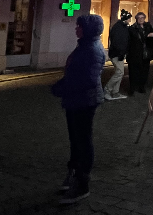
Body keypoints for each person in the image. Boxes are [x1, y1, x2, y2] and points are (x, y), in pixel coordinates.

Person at [51, 14, 105, 205]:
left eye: (79, 26)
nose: (76, 29)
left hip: (84, 101)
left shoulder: (92, 49)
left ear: (88, 29)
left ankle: (82, 183)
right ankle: (74, 173)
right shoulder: (85, 45)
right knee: (76, 139)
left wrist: (63, 88)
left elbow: (88, 79)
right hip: (76, 100)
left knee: (83, 140)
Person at [103, 10, 131, 100]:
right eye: (129, 19)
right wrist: (121, 53)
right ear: (125, 18)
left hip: (118, 53)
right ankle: (107, 90)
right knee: (119, 72)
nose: (130, 20)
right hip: (117, 54)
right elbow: (117, 42)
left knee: (119, 72)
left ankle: (115, 92)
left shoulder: (121, 27)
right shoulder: (119, 28)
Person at [126, 12, 153, 95]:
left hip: (145, 53)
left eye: (142, 17)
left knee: (144, 71)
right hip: (135, 53)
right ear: (136, 19)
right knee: (133, 71)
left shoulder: (148, 27)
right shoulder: (132, 28)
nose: (141, 19)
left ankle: (142, 87)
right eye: (139, 18)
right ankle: (132, 88)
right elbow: (129, 41)